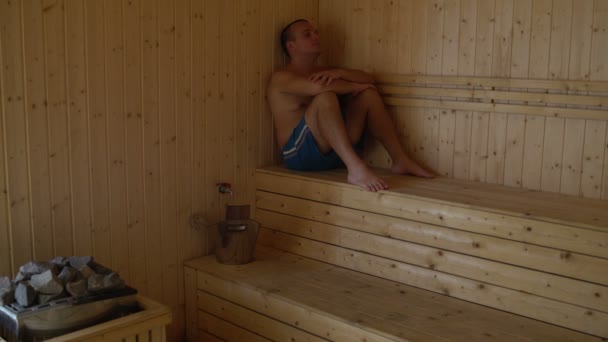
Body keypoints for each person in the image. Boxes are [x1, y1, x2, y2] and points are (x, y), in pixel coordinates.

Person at [267, 19, 433, 192]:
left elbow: (369, 80)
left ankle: (400, 159)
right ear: (291, 46)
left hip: (335, 154)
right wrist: (353, 86)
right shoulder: (281, 77)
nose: (315, 36)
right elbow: (318, 88)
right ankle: (355, 169)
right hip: (299, 157)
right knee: (325, 98)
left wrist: (339, 73)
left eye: (316, 32)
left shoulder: (325, 72)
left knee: (368, 94)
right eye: (307, 34)